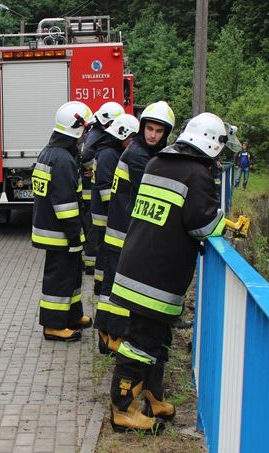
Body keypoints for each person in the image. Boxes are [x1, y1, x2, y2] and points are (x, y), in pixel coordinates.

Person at [108, 112, 241, 434]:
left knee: (158, 339)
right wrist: (228, 224)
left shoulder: (158, 162)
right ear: (211, 143)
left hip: (135, 267)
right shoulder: (196, 174)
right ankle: (122, 410)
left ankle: (153, 397)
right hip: (157, 277)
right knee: (141, 342)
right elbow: (201, 225)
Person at [96, 101, 175, 355]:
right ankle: (113, 337)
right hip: (124, 233)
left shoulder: (140, 151)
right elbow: (152, 192)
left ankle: (106, 336)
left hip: (120, 230)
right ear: (142, 128)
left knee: (111, 286)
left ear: (166, 133)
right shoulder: (140, 156)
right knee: (118, 290)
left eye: (159, 131)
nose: (153, 135)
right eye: (150, 129)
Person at [31, 101, 94, 342]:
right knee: (59, 278)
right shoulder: (62, 160)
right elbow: (65, 204)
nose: (86, 135)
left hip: (53, 229)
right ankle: (53, 326)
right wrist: (74, 235)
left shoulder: (52, 152)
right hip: (60, 232)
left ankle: (72, 316)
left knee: (71, 275)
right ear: (76, 129)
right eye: (85, 130)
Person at [80, 102, 125, 278]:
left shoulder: (94, 132)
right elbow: (86, 158)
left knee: (93, 228)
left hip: (93, 187)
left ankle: (91, 262)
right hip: (92, 190)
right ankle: (91, 264)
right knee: (94, 228)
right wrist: (95, 167)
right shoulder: (99, 135)